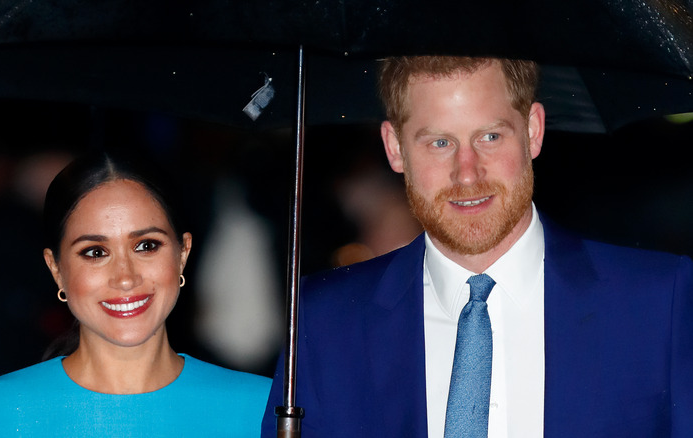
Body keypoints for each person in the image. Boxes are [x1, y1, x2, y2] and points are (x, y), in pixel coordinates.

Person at [261, 56, 693, 437]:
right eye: (440, 143)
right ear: (395, 147)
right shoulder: (324, 321)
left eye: (489, 137)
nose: (467, 174)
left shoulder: (659, 301)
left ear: (533, 130)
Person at [0, 151, 271, 437]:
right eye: (95, 252)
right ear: (56, 269)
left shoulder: (266, 409)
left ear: (182, 253)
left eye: (146, 246)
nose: (125, 278)